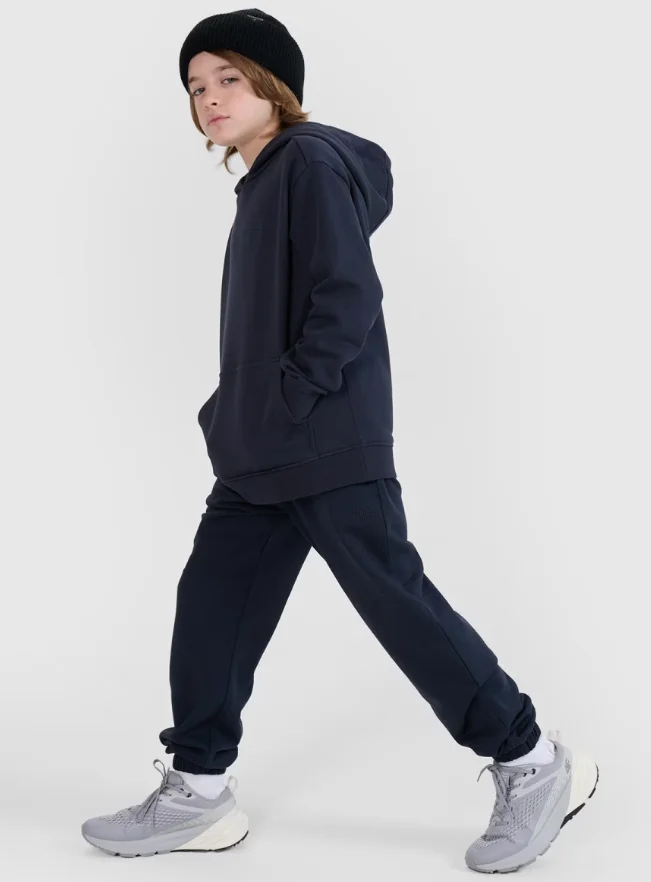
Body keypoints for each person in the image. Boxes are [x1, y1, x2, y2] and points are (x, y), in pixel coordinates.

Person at [81, 8, 598, 871]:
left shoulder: (308, 162)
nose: (209, 98)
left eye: (228, 78)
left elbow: (346, 297)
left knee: (395, 603)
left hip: (321, 441)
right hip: (260, 450)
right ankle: (199, 791)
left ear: (273, 84)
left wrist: (282, 400)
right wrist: (236, 411)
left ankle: (532, 760)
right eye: (196, 87)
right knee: (211, 606)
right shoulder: (263, 181)